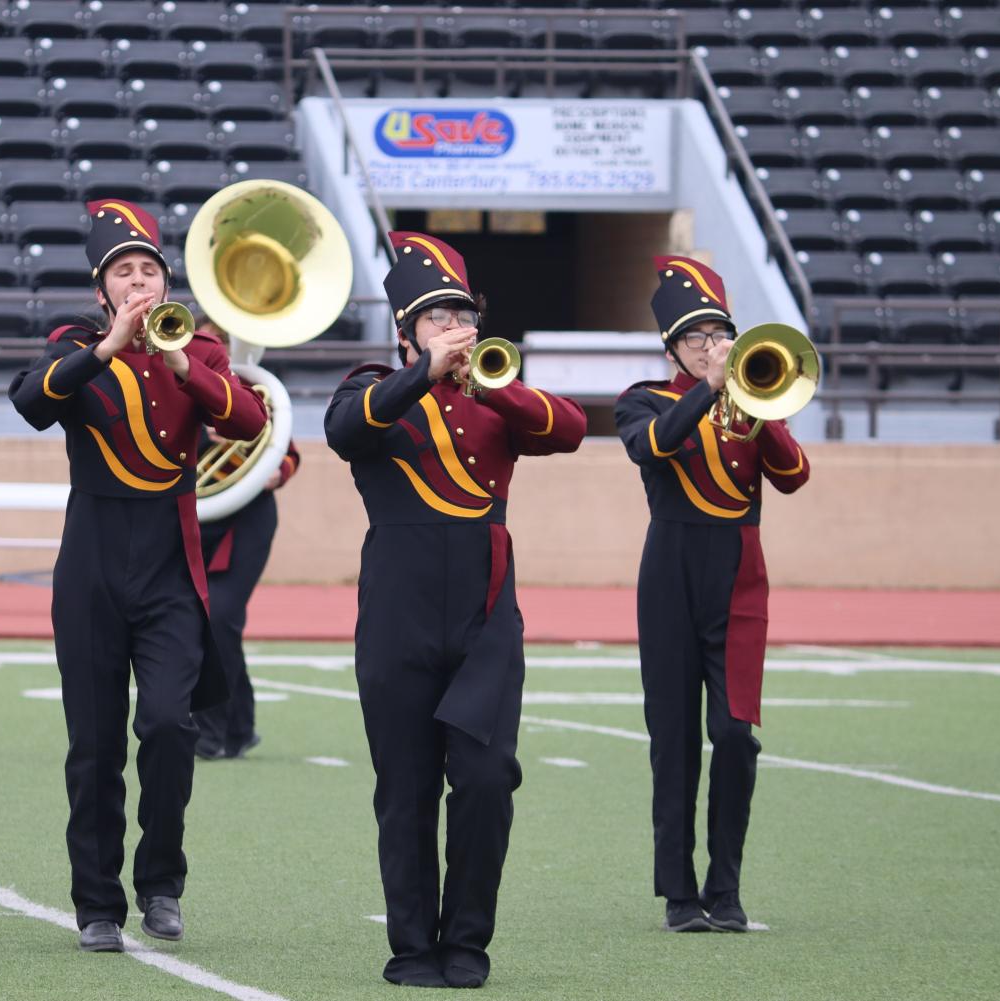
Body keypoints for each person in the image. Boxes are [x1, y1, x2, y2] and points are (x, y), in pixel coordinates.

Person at [325, 231, 586, 988]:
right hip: (397, 612)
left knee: (483, 780)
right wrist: (422, 372)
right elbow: (345, 432)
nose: (454, 325)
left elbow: (568, 429)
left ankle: (467, 939)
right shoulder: (373, 388)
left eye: (461, 313)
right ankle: (412, 946)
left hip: (484, 614)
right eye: (437, 315)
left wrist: (489, 383)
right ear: (405, 329)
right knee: (404, 790)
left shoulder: (496, 396)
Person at [8, 198, 267, 953]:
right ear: (102, 290)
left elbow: (249, 421)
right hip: (90, 568)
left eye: (148, 270)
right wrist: (109, 346)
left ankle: (160, 882)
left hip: (167, 570)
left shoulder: (200, 351)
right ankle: (96, 902)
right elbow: (29, 403)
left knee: (166, 723)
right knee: (93, 745)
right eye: (123, 273)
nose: (138, 282)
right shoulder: (74, 345)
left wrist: (182, 360)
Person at [613, 256, 812, 933]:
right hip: (668, 570)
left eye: (719, 333)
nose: (711, 345)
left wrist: (761, 405)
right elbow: (653, 448)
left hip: (738, 574)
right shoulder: (645, 399)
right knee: (672, 739)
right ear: (671, 345)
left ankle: (725, 886)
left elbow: (794, 476)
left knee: (733, 735)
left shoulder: (749, 401)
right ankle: (678, 892)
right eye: (696, 336)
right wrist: (708, 386)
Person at [192, 326, 301, 761]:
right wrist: (203, 431)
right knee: (202, 625)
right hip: (195, 516)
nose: (210, 348)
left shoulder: (255, 389)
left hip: (246, 519)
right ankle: (239, 728)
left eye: (218, 340)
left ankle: (210, 733)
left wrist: (278, 467)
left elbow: (288, 450)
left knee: (221, 620)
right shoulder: (175, 383)